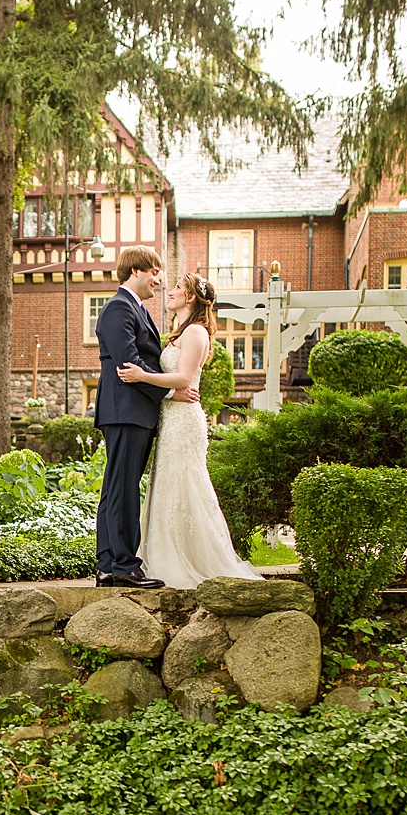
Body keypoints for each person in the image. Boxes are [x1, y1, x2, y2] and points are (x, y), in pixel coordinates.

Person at [116, 272, 263, 590]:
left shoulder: (196, 332)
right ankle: (162, 556)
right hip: (170, 420)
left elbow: (183, 378)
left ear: (191, 297)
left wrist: (142, 375)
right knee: (167, 488)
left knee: (185, 487)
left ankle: (191, 560)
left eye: (177, 288)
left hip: (184, 422)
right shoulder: (178, 333)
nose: (169, 291)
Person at [93, 248, 201, 588]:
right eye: (154, 272)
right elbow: (130, 365)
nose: (158, 280)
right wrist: (170, 392)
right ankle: (123, 566)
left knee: (117, 486)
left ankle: (109, 566)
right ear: (135, 271)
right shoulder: (118, 308)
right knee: (122, 487)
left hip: (135, 411)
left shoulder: (136, 309)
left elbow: (144, 363)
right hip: (125, 410)